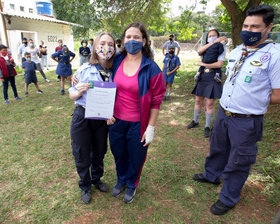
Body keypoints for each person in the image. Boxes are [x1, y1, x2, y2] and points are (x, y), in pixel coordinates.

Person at [193, 5, 280, 216]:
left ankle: (228, 197)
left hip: (247, 119)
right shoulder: (237, 50)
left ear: (268, 27)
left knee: (239, 159)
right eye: (246, 25)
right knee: (218, 148)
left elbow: (278, 94)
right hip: (224, 111)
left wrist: (254, 98)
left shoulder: (275, 55)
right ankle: (212, 174)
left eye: (255, 26)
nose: (248, 30)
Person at [109, 22, 165, 203]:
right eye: (128, 37)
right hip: (116, 121)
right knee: (119, 153)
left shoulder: (151, 68)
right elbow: (97, 66)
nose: (132, 40)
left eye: (136, 37)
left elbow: (157, 100)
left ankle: (132, 183)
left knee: (136, 155)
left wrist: (151, 127)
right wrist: (79, 75)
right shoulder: (116, 61)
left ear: (144, 41)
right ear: (123, 41)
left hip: (138, 123)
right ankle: (121, 179)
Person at [69, 32, 116, 204]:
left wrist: (110, 114)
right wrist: (79, 90)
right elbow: (72, 96)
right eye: (103, 43)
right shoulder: (84, 69)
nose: (106, 47)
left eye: (110, 44)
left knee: (99, 151)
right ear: (96, 47)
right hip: (82, 116)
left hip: (101, 119)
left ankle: (96, 179)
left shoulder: (116, 71)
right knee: (82, 153)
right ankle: (85, 185)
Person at [187, 29, 227, 138]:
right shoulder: (206, 48)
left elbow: (219, 64)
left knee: (209, 103)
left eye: (214, 36)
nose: (212, 37)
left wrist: (203, 64)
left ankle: (207, 126)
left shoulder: (221, 47)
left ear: (218, 37)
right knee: (198, 100)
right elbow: (199, 51)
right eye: (210, 36)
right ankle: (195, 121)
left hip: (214, 77)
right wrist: (212, 43)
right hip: (203, 76)